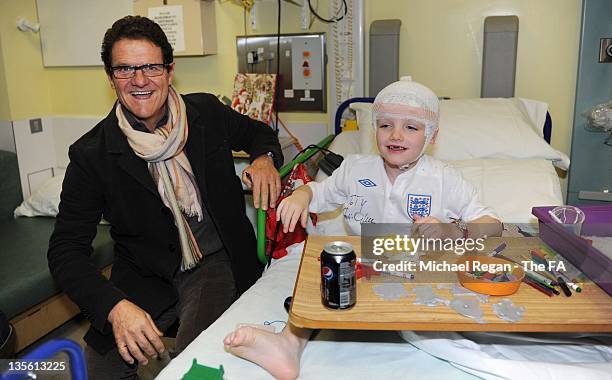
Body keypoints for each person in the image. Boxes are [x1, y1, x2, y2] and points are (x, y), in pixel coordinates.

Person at [47, 16, 282, 379]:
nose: (139, 81)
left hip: (213, 265)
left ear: (170, 71)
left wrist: (265, 158)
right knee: (101, 368)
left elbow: (258, 134)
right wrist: (114, 307)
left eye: (150, 67)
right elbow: (65, 250)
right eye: (125, 69)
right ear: (110, 78)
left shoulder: (206, 113)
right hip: (143, 274)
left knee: (195, 363)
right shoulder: (92, 153)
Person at [223, 77, 503, 380]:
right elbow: (321, 194)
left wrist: (452, 231)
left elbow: (493, 226)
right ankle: (288, 345)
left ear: (431, 135)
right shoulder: (355, 169)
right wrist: (303, 194)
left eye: (411, 127)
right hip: (367, 268)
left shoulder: (444, 179)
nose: (396, 135)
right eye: (385, 125)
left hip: (422, 272)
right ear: (375, 130)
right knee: (322, 280)